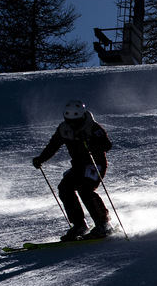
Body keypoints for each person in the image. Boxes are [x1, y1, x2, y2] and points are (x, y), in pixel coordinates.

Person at [32, 100, 114, 240]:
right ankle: (79, 225)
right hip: (78, 166)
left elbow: (106, 145)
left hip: (95, 165)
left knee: (85, 190)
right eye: (69, 121)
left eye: (75, 121)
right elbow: (53, 145)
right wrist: (41, 159)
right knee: (65, 188)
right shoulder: (64, 129)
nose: (72, 124)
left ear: (82, 117)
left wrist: (89, 142)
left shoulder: (93, 127)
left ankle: (104, 224)